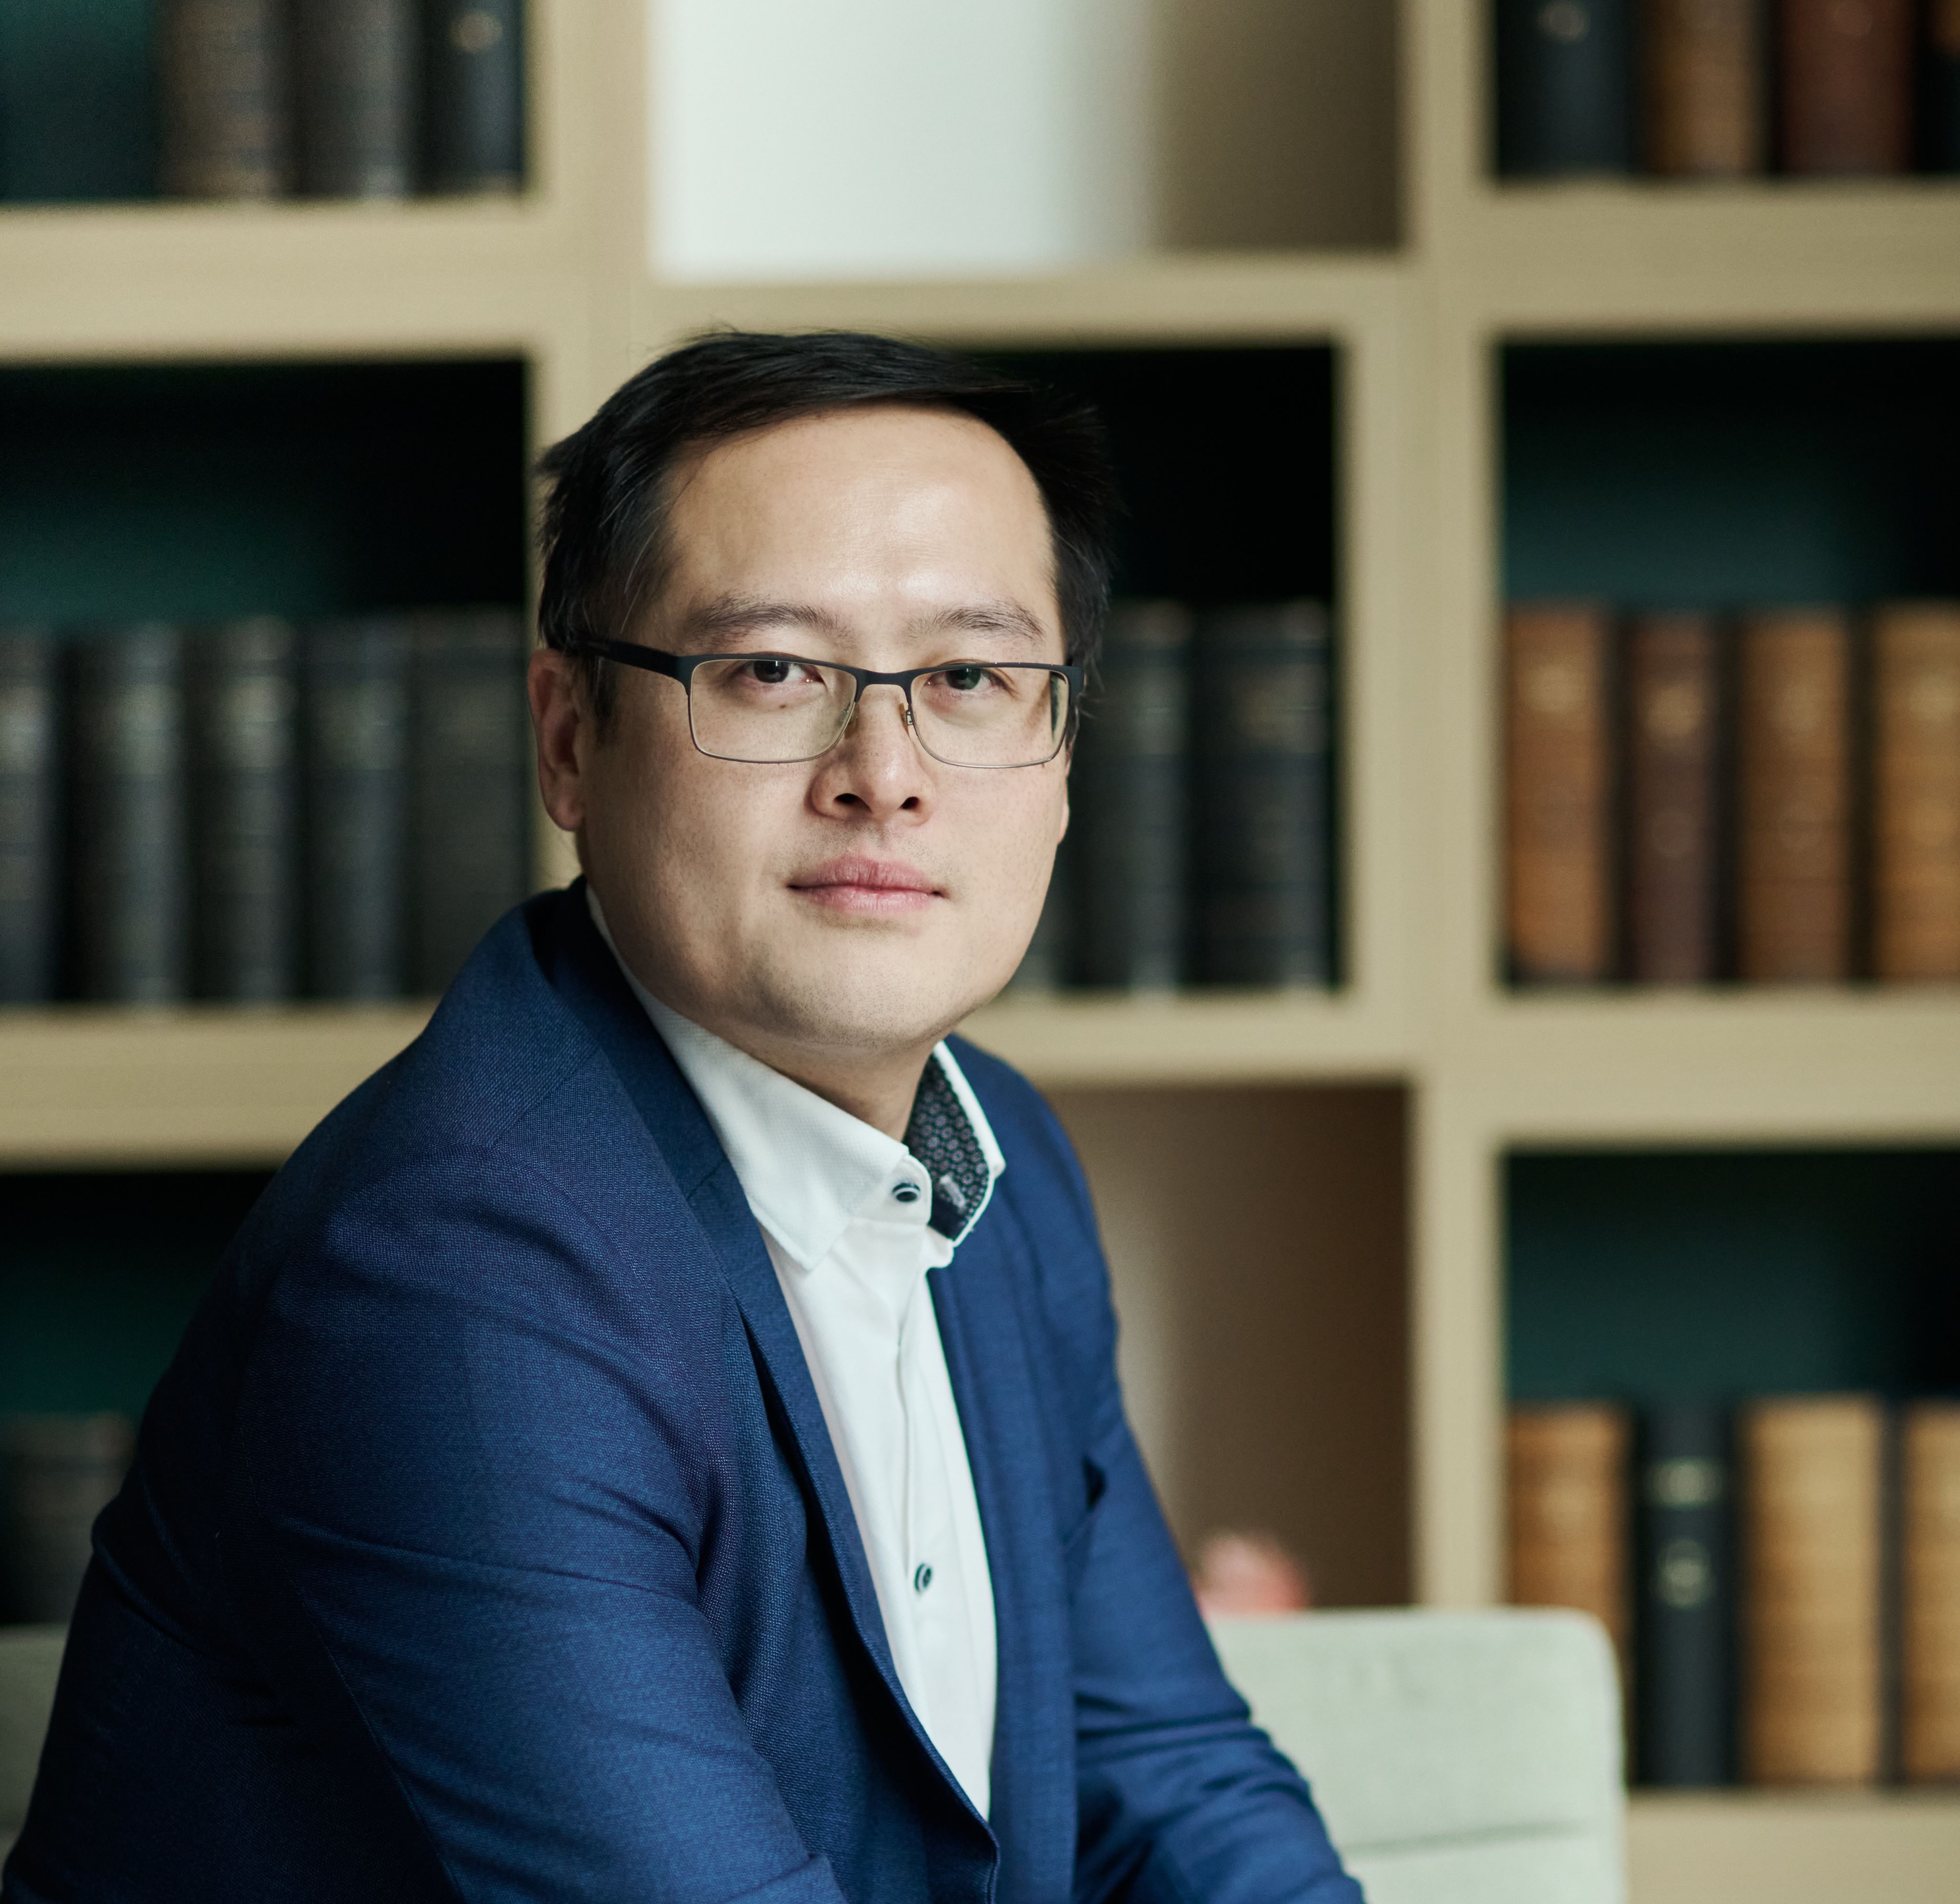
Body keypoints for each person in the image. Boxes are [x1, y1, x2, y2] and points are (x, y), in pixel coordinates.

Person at [4, 332, 1362, 1904]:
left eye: (972, 679)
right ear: (571, 736)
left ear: (1063, 750)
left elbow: (1166, 1786)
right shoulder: (452, 1275)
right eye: (773, 670)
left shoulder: (1006, 1166)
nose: (884, 774)